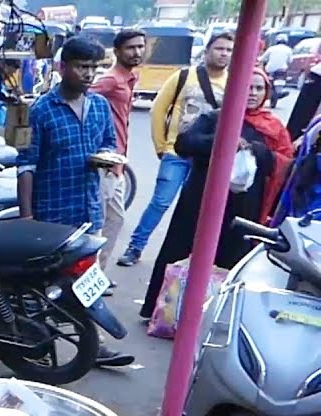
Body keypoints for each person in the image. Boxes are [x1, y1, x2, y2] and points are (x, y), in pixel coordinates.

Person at [16, 37, 133, 369]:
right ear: (62, 67)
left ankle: (95, 344)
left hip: (88, 207)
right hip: (52, 212)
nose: (89, 74)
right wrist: (27, 218)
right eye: (82, 67)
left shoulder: (98, 106)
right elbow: (26, 165)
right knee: (44, 283)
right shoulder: (41, 110)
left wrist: (107, 159)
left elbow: (109, 142)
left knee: (87, 278)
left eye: (94, 68)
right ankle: (33, 339)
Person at [141, 70, 294, 318]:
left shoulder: (273, 128)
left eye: (258, 89)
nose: (253, 94)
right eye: (248, 87)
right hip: (200, 201)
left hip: (243, 209)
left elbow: (285, 164)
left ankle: (214, 319)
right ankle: (164, 313)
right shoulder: (216, 118)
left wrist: (255, 149)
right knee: (181, 251)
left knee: (230, 262)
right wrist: (223, 140)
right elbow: (184, 144)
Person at [117, 31, 233, 267]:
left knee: (198, 210)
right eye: (220, 49)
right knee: (161, 202)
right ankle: (135, 247)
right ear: (208, 49)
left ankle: (190, 257)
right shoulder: (184, 76)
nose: (224, 54)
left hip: (209, 159)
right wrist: (161, 146)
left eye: (229, 50)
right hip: (176, 154)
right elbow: (158, 110)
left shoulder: (234, 83)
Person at [89, 29, 145, 272]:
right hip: (105, 163)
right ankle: (87, 276)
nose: (137, 52)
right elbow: (82, 96)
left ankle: (97, 275)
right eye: (131, 48)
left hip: (118, 163)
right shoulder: (111, 79)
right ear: (117, 51)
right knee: (97, 223)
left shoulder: (129, 79)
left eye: (140, 47)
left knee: (115, 219)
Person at [262, 34, 293, 107]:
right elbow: (290, 61)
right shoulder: (289, 49)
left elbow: (263, 58)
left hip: (269, 70)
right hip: (282, 70)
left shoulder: (271, 48)